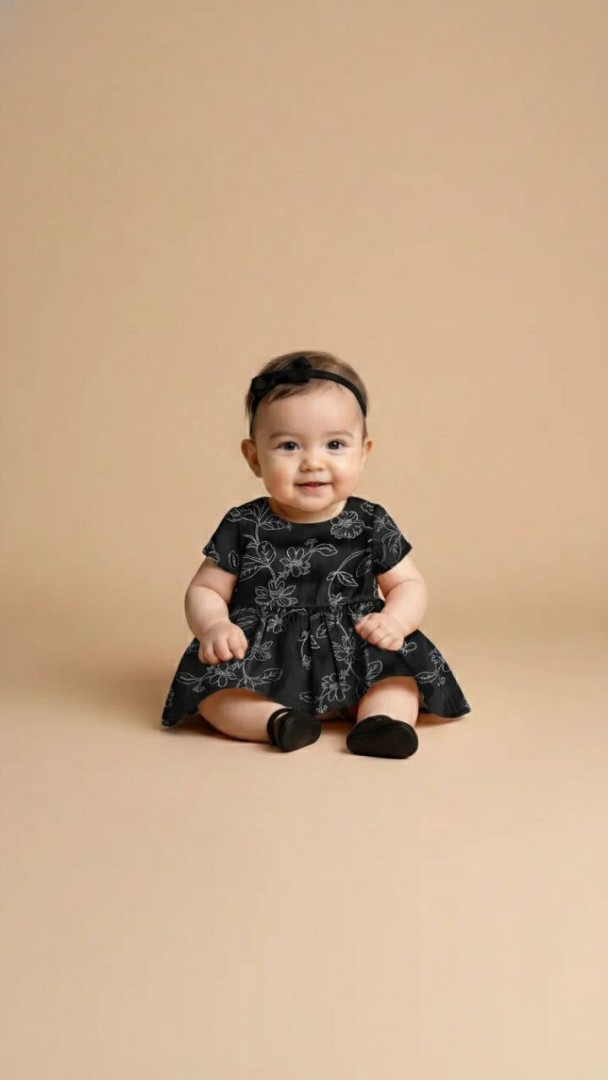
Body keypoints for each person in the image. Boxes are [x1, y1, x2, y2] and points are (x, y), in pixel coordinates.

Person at [161, 350, 471, 759]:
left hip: (355, 646)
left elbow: (408, 584)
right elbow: (205, 588)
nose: (312, 462)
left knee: (398, 679)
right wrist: (214, 626)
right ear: (254, 457)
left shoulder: (369, 521)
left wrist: (394, 621)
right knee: (215, 695)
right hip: (264, 657)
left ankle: (380, 722)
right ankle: (278, 721)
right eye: (289, 445)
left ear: (363, 452)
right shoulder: (243, 523)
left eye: (335, 444)